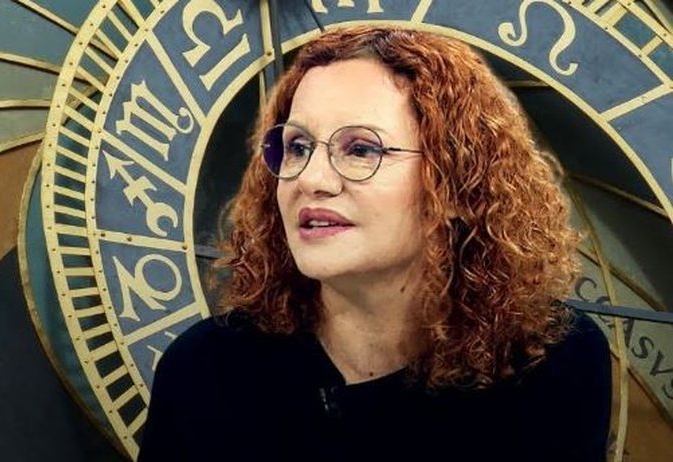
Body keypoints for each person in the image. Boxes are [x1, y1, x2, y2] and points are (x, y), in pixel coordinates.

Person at [139, 26, 611, 462]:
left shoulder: (553, 362)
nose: (312, 180)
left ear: (454, 185)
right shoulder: (202, 372)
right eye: (298, 147)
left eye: (362, 149)